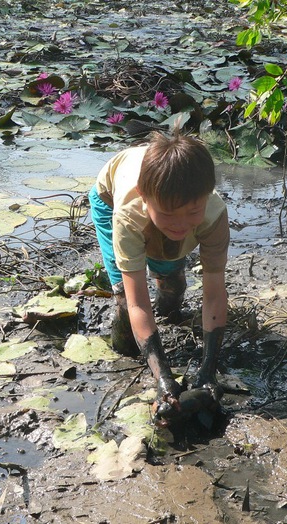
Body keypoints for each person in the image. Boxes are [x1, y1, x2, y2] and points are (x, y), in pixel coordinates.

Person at [88, 128, 230, 424]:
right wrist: (163, 377)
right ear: (143, 196)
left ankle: (169, 314)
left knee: (172, 285)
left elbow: (214, 293)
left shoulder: (212, 215)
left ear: (205, 198)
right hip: (109, 198)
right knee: (125, 303)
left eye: (192, 213)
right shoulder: (129, 215)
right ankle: (128, 349)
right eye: (169, 215)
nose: (180, 225)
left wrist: (208, 370)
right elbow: (138, 302)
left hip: (162, 204)